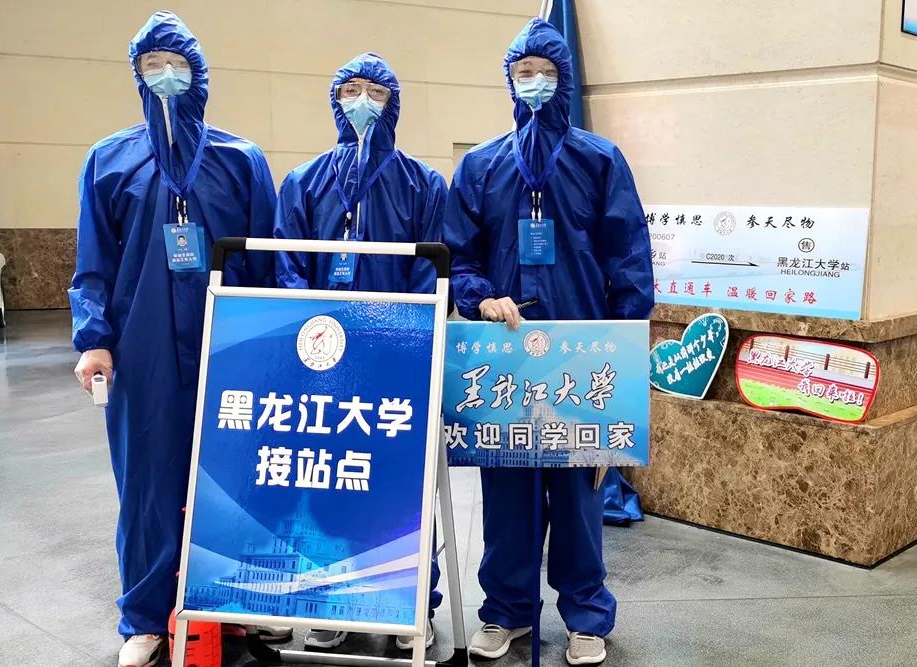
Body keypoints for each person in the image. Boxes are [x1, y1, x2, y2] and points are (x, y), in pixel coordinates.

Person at [68, 12, 289, 667]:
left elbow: (268, 261)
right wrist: (94, 338)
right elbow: (93, 262)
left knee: (235, 475)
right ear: (137, 76)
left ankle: (232, 603)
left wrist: (275, 342)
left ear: (200, 74)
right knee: (148, 480)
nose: (164, 75)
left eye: (176, 64)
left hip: (232, 341)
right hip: (143, 348)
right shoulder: (108, 160)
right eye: (151, 65)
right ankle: (145, 618)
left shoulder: (240, 159)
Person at [443, 18, 654, 666]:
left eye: (545, 72)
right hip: (504, 353)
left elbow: (629, 257)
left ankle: (586, 615)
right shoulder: (480, 166)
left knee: (578, 495)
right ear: (509, 81)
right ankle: (506, 610)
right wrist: (480, 295)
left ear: (564, 80)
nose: (533, 83)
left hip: (580, 355)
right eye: (522, 73)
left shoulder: (599, 160)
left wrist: (623, 351)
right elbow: (459, 254)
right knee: (507, 492)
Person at [274, 52, 446, 651]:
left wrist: (395, 338)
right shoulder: (302, 183)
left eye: (376, 91)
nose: (362, 101)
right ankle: (331, 599)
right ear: (334, 100)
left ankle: (411, 605)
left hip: (396, 362)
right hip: (323, 366)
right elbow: (288, 269)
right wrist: (318, 339)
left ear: (393, 104)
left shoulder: (423, 185)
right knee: (327, 482)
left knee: (401, 483)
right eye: (351, 90)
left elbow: (431, 274)